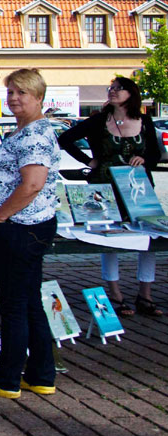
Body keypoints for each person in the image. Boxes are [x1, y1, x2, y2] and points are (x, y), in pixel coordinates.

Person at [0, 68, 60, 399]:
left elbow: (33, 184)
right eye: (10, 91)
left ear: (39, 97)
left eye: (21, 92)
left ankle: (6, 379)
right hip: (24, 227)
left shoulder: (35, 135)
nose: (13, 98)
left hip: (21, 228)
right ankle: (41, 375)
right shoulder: (23, 131)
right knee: (29, 302)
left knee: (13, 305)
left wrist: (2, 216)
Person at [57, 76, 162, 317]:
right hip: (104, 187)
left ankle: (145, 294)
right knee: (109, 237)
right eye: (110, 88)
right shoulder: (98, 120)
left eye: (118, 88)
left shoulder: (144, 120)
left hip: (138, 187)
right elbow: (65, 139)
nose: (112, 91)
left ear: (131, 93)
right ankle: (115, 294)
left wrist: (145, 159)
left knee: (149, 236)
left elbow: (156, 154)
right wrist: (88, 161)